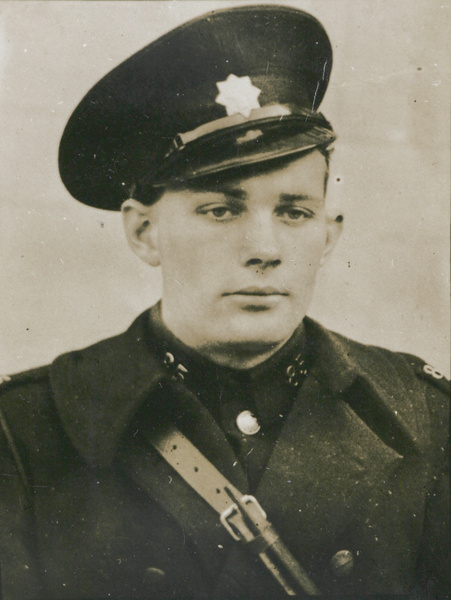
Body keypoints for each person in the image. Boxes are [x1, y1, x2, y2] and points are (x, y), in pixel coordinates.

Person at [0, 5, 448, 599]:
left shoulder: (425, 418)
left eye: (294, 212)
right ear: (143, 233)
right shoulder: (26, 431)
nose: (264, 249)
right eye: (220, 210)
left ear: (328, 234)